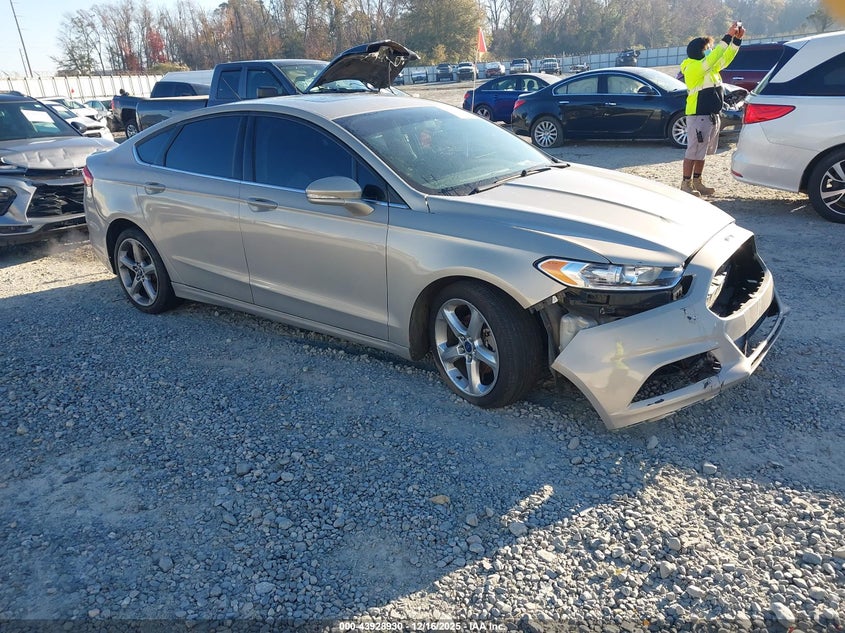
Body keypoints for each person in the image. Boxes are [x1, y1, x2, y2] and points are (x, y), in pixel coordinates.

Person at [679, 21, 746, 196]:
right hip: (698, 115)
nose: (711, 49)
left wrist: (736, 41)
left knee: (702, 152)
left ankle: (697, 182)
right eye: (708, 47)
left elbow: (725, 58)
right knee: (693, 151)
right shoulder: (694, 67)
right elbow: (715, 56)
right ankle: (685, 184)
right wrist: (728, 35)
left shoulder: (710, 67)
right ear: (700, 51)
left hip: (710, 116)